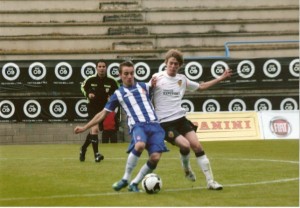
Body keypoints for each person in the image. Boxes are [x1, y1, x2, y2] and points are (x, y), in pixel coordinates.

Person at [74, 61, 168, 192]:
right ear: (120, 75)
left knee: (155, 158)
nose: (129, 76)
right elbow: (101, 114)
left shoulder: (144, 86)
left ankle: (134, 183)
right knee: (140, 145)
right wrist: (84, 128)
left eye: (131, 73)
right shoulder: (118, 94)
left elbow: (161, 85)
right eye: (126, 74)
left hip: (155, 126)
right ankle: (125, 179)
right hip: (138, 125)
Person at [150, 49, 232, 190]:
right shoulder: (157, 78)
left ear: (180, 65)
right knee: (185, 145)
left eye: (176, 64)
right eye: (171, 63)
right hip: (165, 123)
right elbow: (146, 93)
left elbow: (201, 87)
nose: (173, 66)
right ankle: (187, 169)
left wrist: (220, 78)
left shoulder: (182, 79)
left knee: (197, 146)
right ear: (166, 63)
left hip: (180, 119)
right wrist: (150, 87)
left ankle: (211, 181)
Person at [79, 60, 119, 162]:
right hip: (92, 107)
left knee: (93, 131)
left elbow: (118, 91)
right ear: (96, 68)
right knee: (95, 129)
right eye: (99, 66)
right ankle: (96, 155)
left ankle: (83, 148)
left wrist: (112, 97)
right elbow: (82, 87)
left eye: (103, 66)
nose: (101, 68)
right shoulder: (90, 79)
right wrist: (88, 94)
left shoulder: (112, 81)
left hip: (104, 109)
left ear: (106, 68)